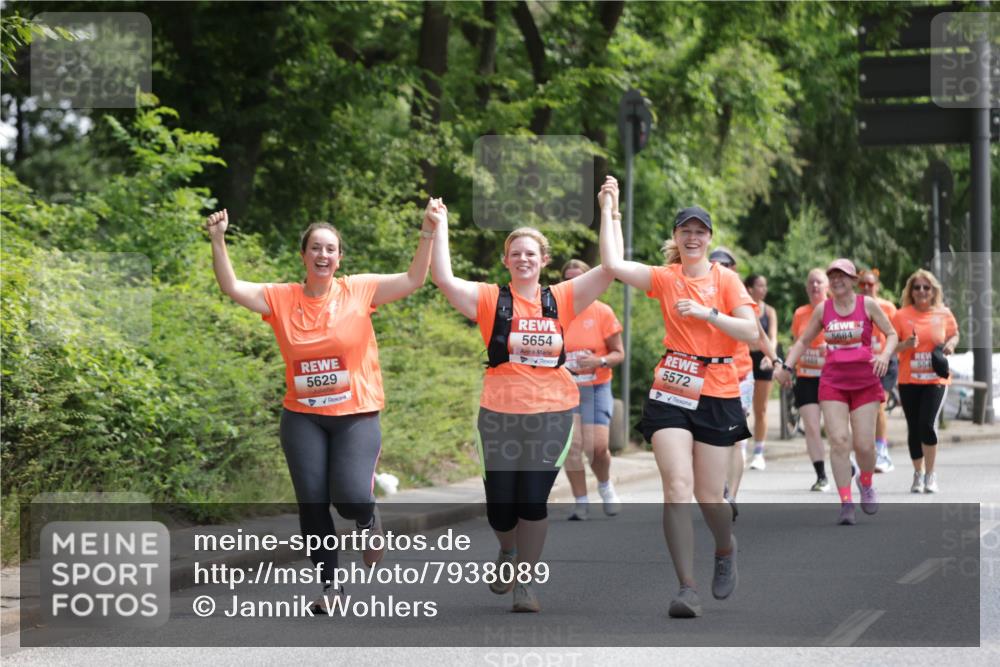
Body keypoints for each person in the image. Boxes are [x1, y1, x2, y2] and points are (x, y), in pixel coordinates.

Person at [205, 203, 438, 612]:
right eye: (316, 248)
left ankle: (367, 520)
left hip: (356, 412)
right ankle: (330, 587)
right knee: (312, 502)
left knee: (348, 496)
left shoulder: (359, 289)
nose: (323, 255)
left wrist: (428, 231)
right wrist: (218, 239)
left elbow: (414, 278)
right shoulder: (281, 298)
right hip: (302, 416)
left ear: (340, 257)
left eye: (331, 249)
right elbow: (232, 287)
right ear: (304, 255)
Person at [430, 194, 614, 613]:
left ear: (544, 259)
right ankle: (508, 552)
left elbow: (609, 269)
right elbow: (442, 278)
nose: (523, 259)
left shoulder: (562, 298)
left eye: (531, 253)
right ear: (505, 260)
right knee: (500, 508)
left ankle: (526, 583)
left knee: (532, 500)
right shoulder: (491, 299)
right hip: (498, 414)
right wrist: (438, 224)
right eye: (516, 253)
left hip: (551, 413)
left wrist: (607, 212)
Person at [600, 194, 758, 618]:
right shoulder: (666, 278)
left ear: (709, 238)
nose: (692, 237)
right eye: (685, 230)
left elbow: (752, 331)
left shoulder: (724, 280)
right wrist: (610, 209)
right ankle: (687, 587)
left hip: (719, 387)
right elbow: (613, 265)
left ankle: (725, 548)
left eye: (699, 231)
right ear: (676, 236)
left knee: (709, 497)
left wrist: (709, 314)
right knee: (676, 488)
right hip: (673, 385)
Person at [774, 259, 897, 525]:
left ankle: (865, 481)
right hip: (833, 383)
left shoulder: (868, 305)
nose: (838, 280)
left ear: (853, 280)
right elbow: (804, 340)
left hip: (865, 381)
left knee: (864, 445)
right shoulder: (823, 309)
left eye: (843, 275)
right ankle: (846, 503)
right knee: (839, 441)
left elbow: (892, 333)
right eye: (833, 276)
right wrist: (786, 366)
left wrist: (885, 355)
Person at [559, 259, 624, 522]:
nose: (574, 284)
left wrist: (599, 361)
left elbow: (619, 353)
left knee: (596, 447)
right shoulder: (554, 312)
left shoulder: (602, 312)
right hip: (565, 388)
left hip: (596, 387)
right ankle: (581, 501)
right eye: (569, 279)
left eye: (579, 279)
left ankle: (605, 484)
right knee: (571, 446)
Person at [893, 269, 959, 494]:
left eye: (926, 287)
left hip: (935, 379)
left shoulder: (943, 314)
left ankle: (931, 475)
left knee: (927, 424)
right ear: (911, 291)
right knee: (914, 428)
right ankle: (918, 473)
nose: (921, 291)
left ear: (933, 291)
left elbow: (954, 334)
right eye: (917, 287)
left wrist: (950, 345)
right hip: (908, 379)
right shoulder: (901, 315)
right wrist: (905, 345)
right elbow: (889, 347)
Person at [786, 269, 831, 490]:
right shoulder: (800, 313)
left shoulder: (837, 310)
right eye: (811, 282)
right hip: (806, 377)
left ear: (828, 287)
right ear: (806, 288)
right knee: (812, 427)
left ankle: (846, 460)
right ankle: (821, 475)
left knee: (834, 428)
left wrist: (831, 349)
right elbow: (797, 342)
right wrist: (787, 366)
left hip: (832, 377)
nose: (815, 286)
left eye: (819, 282)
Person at [859, 269, 898, 473]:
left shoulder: (887, 307)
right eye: (862, 284)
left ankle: (882, 451)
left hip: (884, 363)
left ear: (877, 286)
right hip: (862, 365)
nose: (866, 287)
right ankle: (867, 452)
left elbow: (896, 334)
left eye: (870, 284)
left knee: (879, 407)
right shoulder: (854, 306)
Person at [743, 274, 779, 472]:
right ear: (749, 288)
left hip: (763, 359)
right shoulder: (743, 307)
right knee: (742, 408)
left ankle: (758, 452)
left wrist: (770, 355)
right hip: (745, 358)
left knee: (761, 408)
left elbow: (772, 336)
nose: (763, 289)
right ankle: (740, 447)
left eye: (765, 285)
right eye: (759, 285)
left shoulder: (769, 311)